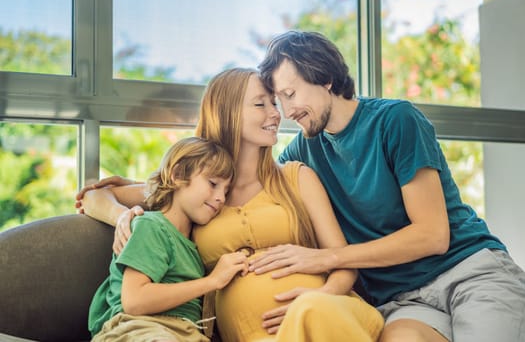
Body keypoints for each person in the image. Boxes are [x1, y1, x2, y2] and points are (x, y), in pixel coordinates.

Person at [247, 30, 525, 342]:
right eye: (277, 100)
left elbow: (433, 236)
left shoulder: (395, 119)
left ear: (325, 78)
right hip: (404, 300)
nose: (286, 111)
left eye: (290, 94)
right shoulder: (304, 152)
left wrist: (330, 258)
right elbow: (253, 182)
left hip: (468, 271)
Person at [77, 68, 384, 342]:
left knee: (311, 312)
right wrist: (123, 218)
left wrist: (318, 295)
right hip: (252, 334)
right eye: (260, 104)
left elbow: (344, 263)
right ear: (227, 112)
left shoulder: (298, 177)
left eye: (274, 103)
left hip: (328, 317)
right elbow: (93, 196)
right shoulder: (197, 188)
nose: (276, 113)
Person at [87, 136, 249, 342]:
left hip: (186, 333)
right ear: (178, 175)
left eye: (226, 191)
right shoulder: (151, 226)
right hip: (137, 328)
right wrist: (212, 281)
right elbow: (134, 301)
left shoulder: (196, 246)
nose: (221, 198)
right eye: (213, 183)